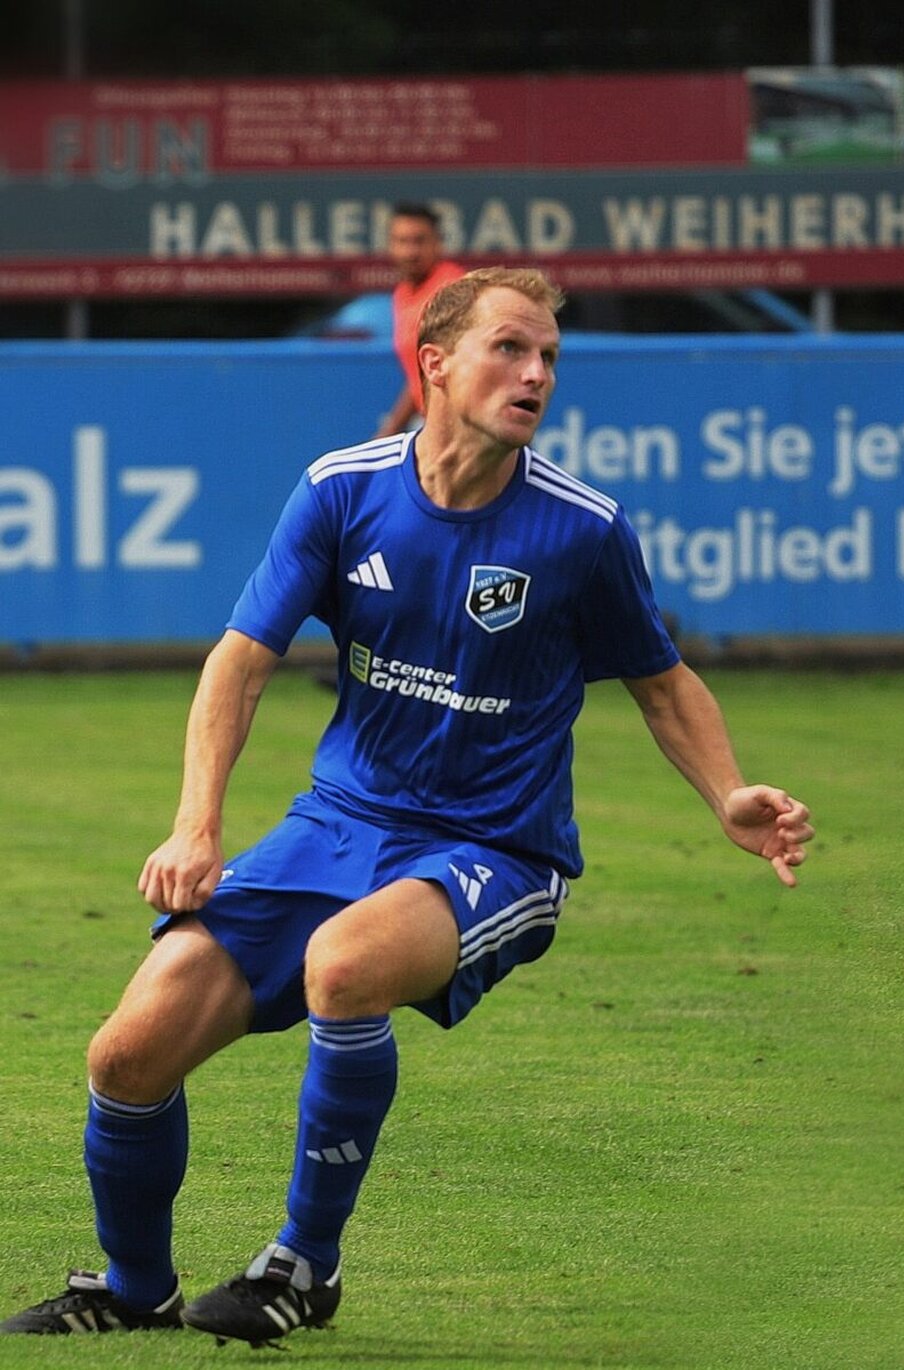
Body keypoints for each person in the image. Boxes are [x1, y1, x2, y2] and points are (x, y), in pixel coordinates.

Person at [0, 267, 814, 1347]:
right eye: (509, 348)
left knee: (343, 966)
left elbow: (662, 685)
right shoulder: (342, 490)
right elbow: (240, 661)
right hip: (337, 825)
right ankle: (136, 1284)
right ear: (433, 363)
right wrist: (196, 825)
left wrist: (729, 793)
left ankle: (305, 1265)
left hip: (496, 847)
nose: (536, 374)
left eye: (548, 356)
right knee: (126, 1053)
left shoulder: (581, 529)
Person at [373, 202, 464, 438]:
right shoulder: (402, 294)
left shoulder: (453, 290)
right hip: (437, 424)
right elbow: (419, 375)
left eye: (419, 241)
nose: (410, 252)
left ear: (438, 243)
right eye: (402, 241)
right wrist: (389, 431)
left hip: (464, 424)